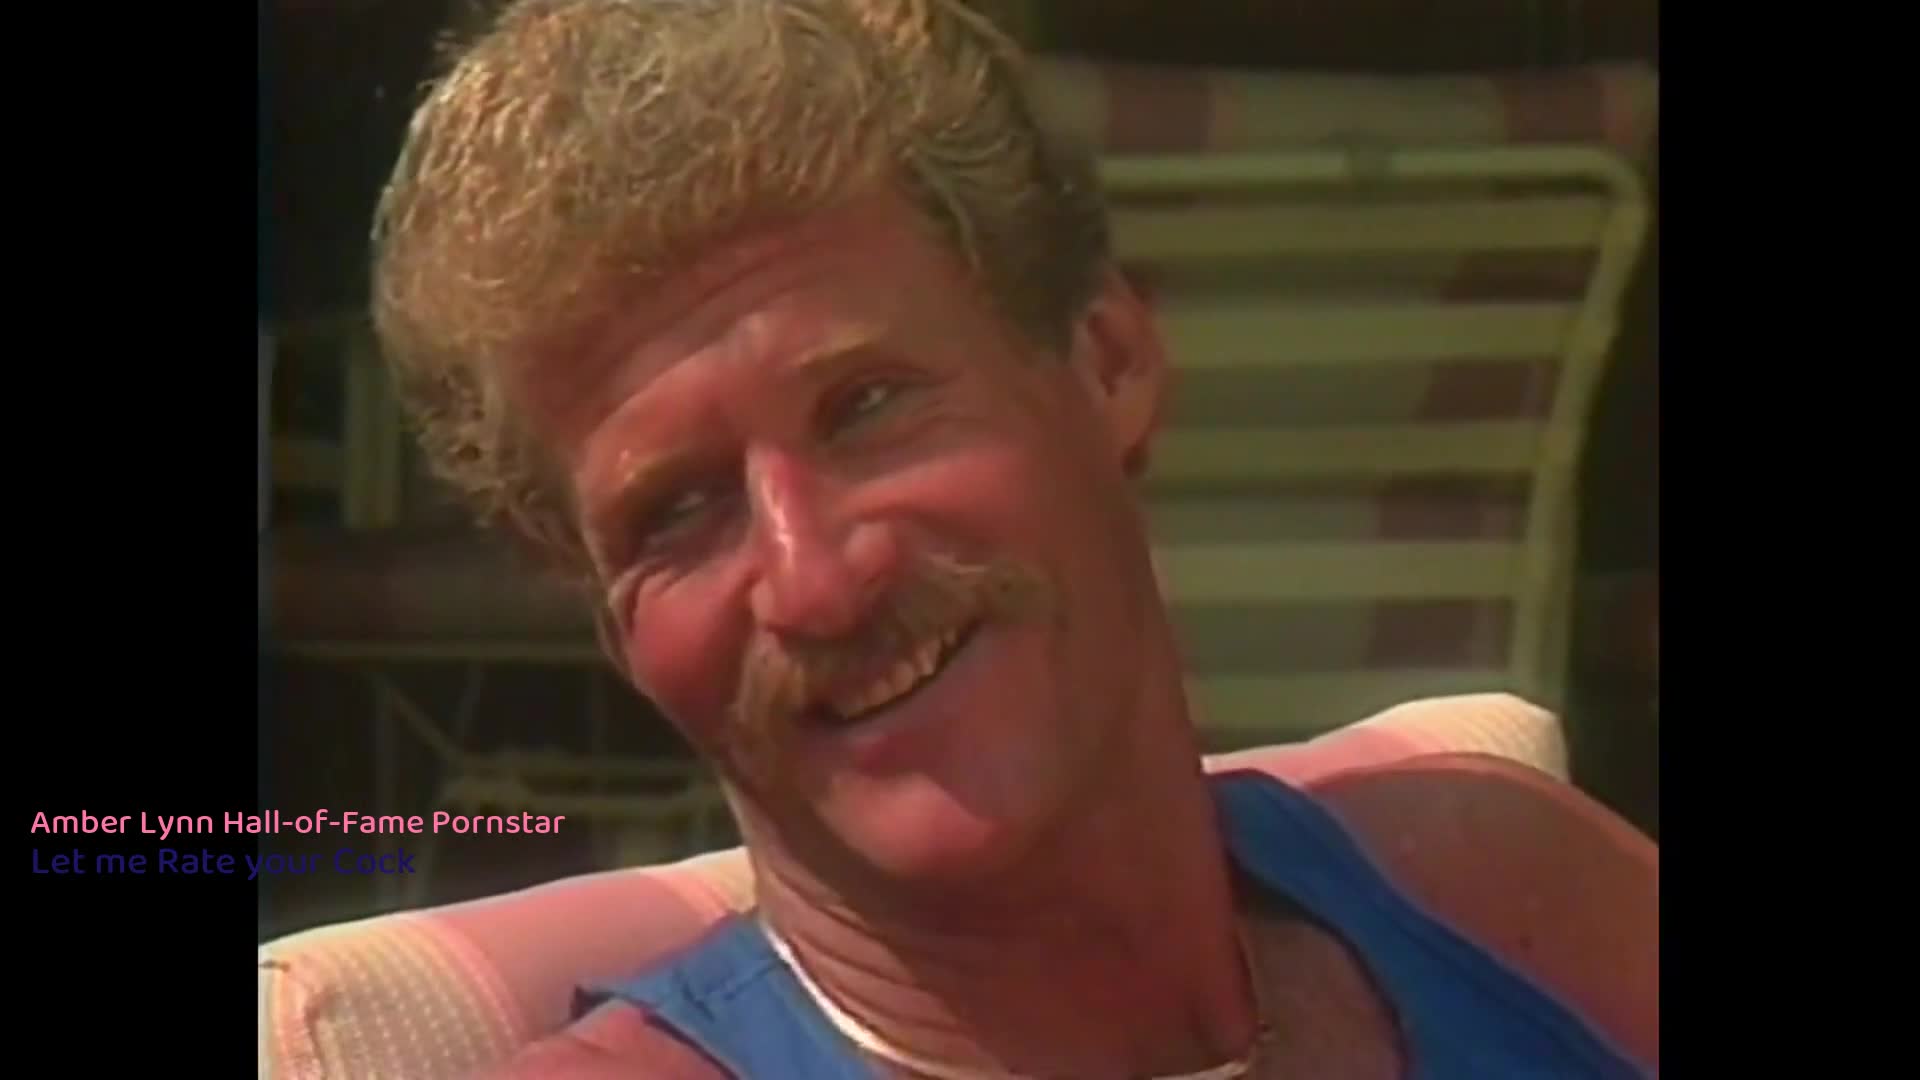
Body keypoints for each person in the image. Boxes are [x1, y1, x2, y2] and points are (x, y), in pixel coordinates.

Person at [369, 1, 1659, 1075]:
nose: (816, 582)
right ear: (617, 626)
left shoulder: (1501, 895)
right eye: (677, 512)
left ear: (1107, 363)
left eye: (867, 407)